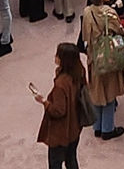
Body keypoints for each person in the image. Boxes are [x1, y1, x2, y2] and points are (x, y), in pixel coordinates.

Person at [80, 0, 124, 140]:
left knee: (96, 89)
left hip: (93, 56)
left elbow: (85, 36)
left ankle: (97, 126)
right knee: (109, 91)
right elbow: (120, 30)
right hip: (108, 55)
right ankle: (108, 128)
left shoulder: (87, 12)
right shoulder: (110, 13)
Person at [34, 41, 88, 169]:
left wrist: (44, 102)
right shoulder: (79, 72)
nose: (55, 57)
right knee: (71, 159)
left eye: (58, 55)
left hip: (60, 133)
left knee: (55, 163)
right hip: (75, 128)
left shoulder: (61, 85)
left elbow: (58, 111)